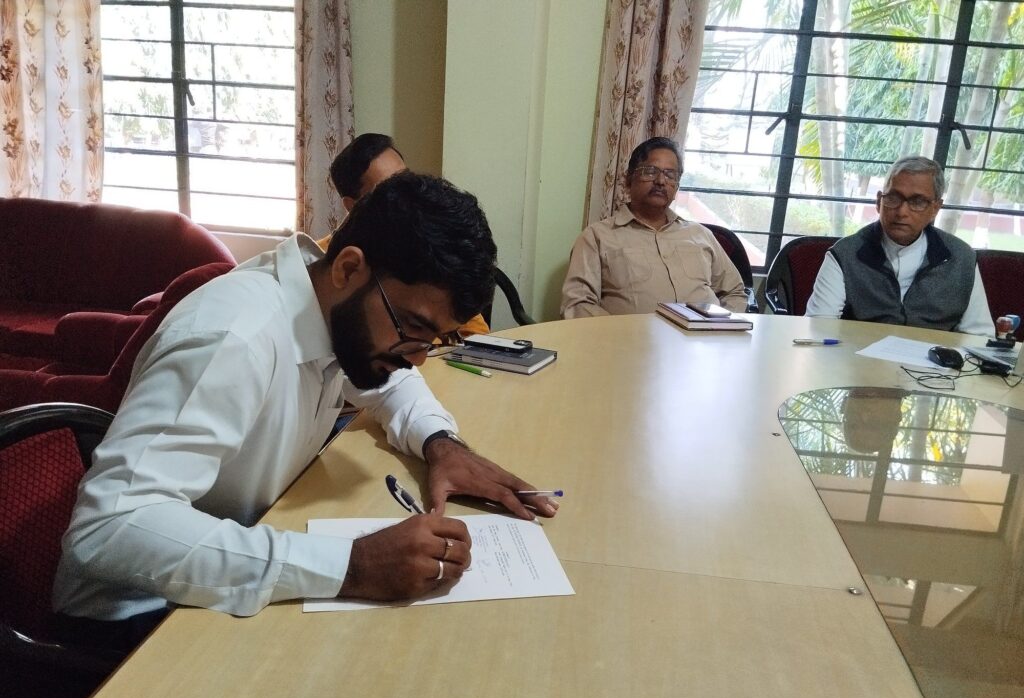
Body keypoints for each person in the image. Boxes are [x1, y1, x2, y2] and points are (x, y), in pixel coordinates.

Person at [53, 172, 558, 638]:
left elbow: (388, 383)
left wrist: (440, 444)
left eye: (434, 339)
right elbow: (109, 529)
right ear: (349, 267)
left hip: (225, 573)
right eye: (413, 328)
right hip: (137, 620)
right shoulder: (235, 339)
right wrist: (353, 565)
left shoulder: (330, 309)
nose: (419, 358)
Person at [318, 133, 489, 337]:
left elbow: (475, 332)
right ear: (352, 205)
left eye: (408, 180)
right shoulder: (323, 264)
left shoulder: (430, 244)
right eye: (387, 191)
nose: (408, 195)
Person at [805, 156, 994, 335]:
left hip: (933, 358)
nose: (902, 212)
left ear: (935, 209)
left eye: (917, 202)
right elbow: (819, 327)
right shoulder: (845, 255)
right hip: (856, 355)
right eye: (893, 198)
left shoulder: (961, 258)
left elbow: (978, 336)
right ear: (879, 202)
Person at [560, 136, 747, 319]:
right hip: (631, 339)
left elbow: (734, 292)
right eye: (650, 171)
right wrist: (621, 335)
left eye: (670, 175)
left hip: (706, 338)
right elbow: (577, 304)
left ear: (676, 186)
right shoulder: (597, 237)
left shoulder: (700, 234)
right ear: (628, 180)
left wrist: (722, 328)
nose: (660, 181)